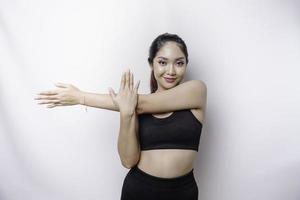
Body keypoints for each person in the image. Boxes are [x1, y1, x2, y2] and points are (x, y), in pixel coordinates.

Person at [35, 33, 207, 200]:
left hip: (183, 193)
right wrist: (126, 114)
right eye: (162, 62)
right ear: (151, 64)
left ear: (186, 64)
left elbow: (141, 104)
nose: (171, 71)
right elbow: (128, 161)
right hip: (139, 190)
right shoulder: (132, 106)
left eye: (179, 63)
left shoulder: (197, 91)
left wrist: (82, 97)